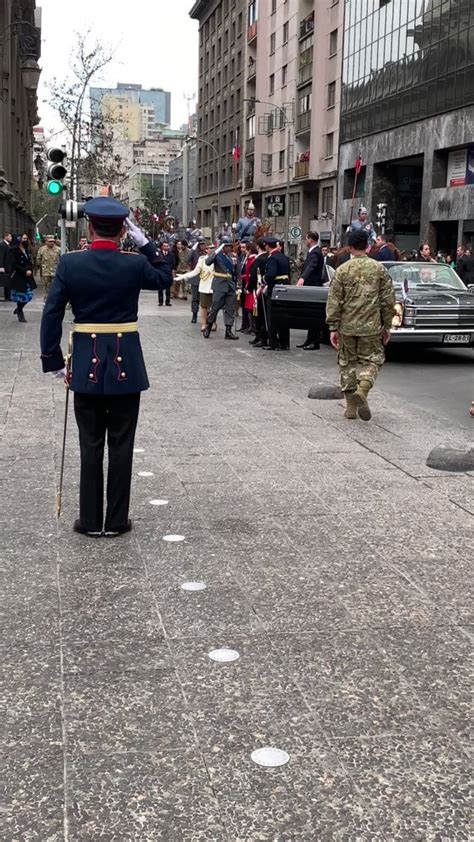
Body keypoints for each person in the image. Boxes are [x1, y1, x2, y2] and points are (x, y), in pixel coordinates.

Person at [39, 197, 172, 537]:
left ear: (90, 227)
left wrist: (53, 361)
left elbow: (52, 312)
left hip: (85, 365)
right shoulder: (132, 264)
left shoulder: (71, 264)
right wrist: (144, 241)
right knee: (122, 444)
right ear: (122, 230)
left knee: (90, 444)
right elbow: (165, 276)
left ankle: (89, 520)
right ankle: (115, 521)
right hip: (126, 364)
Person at [326, 229, 395, 422]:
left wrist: (333, 326)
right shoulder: (379, 269)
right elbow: (388, 300)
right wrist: (387, 325)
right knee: (373, 359)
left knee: (346, 363)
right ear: (368, 246)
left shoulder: (342, 270)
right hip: (371, 326)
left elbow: (334, 301)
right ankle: (363, 389)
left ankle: (350, 407)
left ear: (349, 247)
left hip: (347, 326)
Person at [202, 237, 239, 340]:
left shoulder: (233, 256)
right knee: (215, 307)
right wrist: (216, 251)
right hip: (220, 284)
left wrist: (239, 284)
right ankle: (208, 326)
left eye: (229, 246)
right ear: (222, 246)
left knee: (230, 309)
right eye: (226, 246)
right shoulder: (217, 256)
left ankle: (228, 331)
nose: (228, 248)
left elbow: (237, 272)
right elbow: (207, 262)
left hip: (231, 285)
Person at [174, 242, 215, 332]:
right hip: (201, 282)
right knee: (200, 303)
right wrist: (183, 276)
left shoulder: (216, 257)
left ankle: (212, 322)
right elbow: (191, 265)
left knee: (213, 306)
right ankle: (200, 320)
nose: (208, 249)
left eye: (211, 248)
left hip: (213, 284)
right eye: (207, 248)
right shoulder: (199, 256)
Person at [296, 231, 324, 350]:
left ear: (311, 239)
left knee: (313, 315)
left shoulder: (315, 253)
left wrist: (302, 278)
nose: (305, 241)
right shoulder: (313, 252)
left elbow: (311, 266)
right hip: (311, 285)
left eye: (306, 238)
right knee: (310, 315)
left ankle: (314, 341)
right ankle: (309, 340)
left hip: (313, 286)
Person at [262, 235, 291, 351]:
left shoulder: (272, 258)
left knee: (272, 317)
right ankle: (285, 342)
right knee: (284, 316)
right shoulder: (284, 257)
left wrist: (264, 279)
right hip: (285, 288)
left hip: (275, 289)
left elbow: (271, 275)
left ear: (268, 246)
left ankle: (274, 343)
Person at [7, 234, 37, 322]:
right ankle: (20, 311)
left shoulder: (26, 249)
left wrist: (30, 269)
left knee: (29, 295)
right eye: (23, 238)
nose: (25, 240)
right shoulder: (13, 250)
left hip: (28, 275)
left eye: (26, 238)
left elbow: (28, 261)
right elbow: (13, 264)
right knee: (22, 295)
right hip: (19, 276)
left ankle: (19, 308)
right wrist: (24, 271)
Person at [249, 239, 268, 348]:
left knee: (259, 314)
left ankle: (261, 337)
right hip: (265, 287)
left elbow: (253, 275)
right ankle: (259, 336)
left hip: (259, 288)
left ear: (258, 247)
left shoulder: (259, 259)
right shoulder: (268, 257)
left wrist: (250, 287)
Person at [186, 237, 208, 323]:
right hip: (196, 278)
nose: (203, 246)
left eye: (203, 244)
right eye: (201, 244)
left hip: (205, 278)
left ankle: (205, 315)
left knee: (205, 299)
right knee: (195, 298)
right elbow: (187, 259)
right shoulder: (194, 252)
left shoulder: (207, 252)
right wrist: (193, 248)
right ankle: (194, 314)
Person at [239, 242, 258, 333]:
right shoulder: (247, 258)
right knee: (247, 307)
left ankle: (252, 326)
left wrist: (247, 284)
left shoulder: (253, 259)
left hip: (250, 286)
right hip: (246, 283)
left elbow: (250, 275)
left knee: (251, 307)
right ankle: (248, 325)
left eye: (245, 249)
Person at [36, 234, 61, 301]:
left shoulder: (59, 249)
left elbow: (63, 259)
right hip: (45, 272)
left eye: (52, 241)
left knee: (55, 288)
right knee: (46, 288)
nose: (51, 243)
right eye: (49, 241)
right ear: (46, 241)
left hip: (56, 272)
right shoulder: (42, 249)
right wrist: (41, 266)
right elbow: (38, 259)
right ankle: (46, 300)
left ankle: (54, 300)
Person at [157, 241, 177, 306]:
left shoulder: (171, 255)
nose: (166, 247)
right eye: (165, 246)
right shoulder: (158, 254)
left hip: (168, 272)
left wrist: (171, 270)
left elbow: (173, 263)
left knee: (168, 288)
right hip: (160, 272)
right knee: (160, 288)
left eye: (167, 246)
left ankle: (167, 301)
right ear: (162, 247)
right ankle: (160, 301)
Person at [0, 232, 13, 300]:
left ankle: (8, 296)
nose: (11, 238)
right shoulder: (2, 245)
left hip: (8, 266)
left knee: (8, 281)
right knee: (5, 281)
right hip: (5, 267)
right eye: (10, 236)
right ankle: (7, 296)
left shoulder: (8, 245)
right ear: (6, 237)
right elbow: (1, 256)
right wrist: (1, 266)